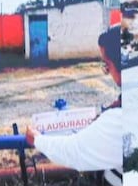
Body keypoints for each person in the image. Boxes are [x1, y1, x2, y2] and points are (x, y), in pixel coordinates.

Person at [25, 24, 123, 172]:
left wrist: (37, 139)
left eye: (107, 64)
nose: (108, 72)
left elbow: (75, 151)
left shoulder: (117, 120)